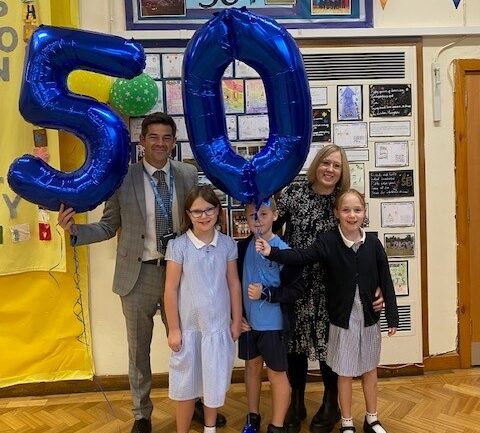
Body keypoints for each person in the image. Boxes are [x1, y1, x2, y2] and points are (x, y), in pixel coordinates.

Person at [57, 112, 226, 433]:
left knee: (191, 342)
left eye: (166, 137)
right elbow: (108, 226)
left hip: (183, 276)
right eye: (153, 137)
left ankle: (197, 402)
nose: (160, 143)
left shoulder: (188, 175)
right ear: (142, 141)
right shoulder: (123, 178)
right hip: (138, 277)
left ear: (173, 143)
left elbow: (204, 219)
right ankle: (141, 414)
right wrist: (75, 231)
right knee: (139, 349)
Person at [257, 189, 399, 433]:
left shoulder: (374, 244)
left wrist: (392, 316)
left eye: (357, 210)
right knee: (343, 371)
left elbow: (385, 279)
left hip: (369, 320)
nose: (352, 215)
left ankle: (372, 418)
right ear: (336, 213)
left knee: (369, 369)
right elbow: (302, 255)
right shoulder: (328, 241)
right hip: (342, 320)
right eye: (346, 210)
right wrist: (273, 252)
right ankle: (346, 421)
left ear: (364, 213)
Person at [274, 144, 384, 433]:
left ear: (342, 171)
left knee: (330, 345)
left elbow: (363, 249)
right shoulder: (296, 193)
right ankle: (295, 401)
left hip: (333, 287)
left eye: (337, 165)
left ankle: (331, 402)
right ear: (316, 165)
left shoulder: (343, 201)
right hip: (296, 281)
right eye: (326, 163)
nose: (330, 169)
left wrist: (376, 287)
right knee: (294, 345)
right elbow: (272, 227)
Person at [164, 185, 242, 433]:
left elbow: (233, 283)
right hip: (189, 329)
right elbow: (170, 289)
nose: (203, 216)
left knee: (213, 383)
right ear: (188, 214)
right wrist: (174, 329)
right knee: (186, 386)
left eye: (209, 210)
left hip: (217, 329)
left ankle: (210, 428)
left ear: (218, 210)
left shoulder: (228, 245)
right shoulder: (179, 247)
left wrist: (237, 319)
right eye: (196, 212)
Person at [237, 199, 305, 433]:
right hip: (249, 325)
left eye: (263, 214)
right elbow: (234, 284)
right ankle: (252, 415)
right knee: (251, 369)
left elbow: (297, 290)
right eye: (252, 216)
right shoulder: (242, 247)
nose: (257, 220)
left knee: (277, 373)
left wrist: (266, 293)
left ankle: (277, 425)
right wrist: (238, 316)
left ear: (275, 216)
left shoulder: (284, 251)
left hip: (273, 325)